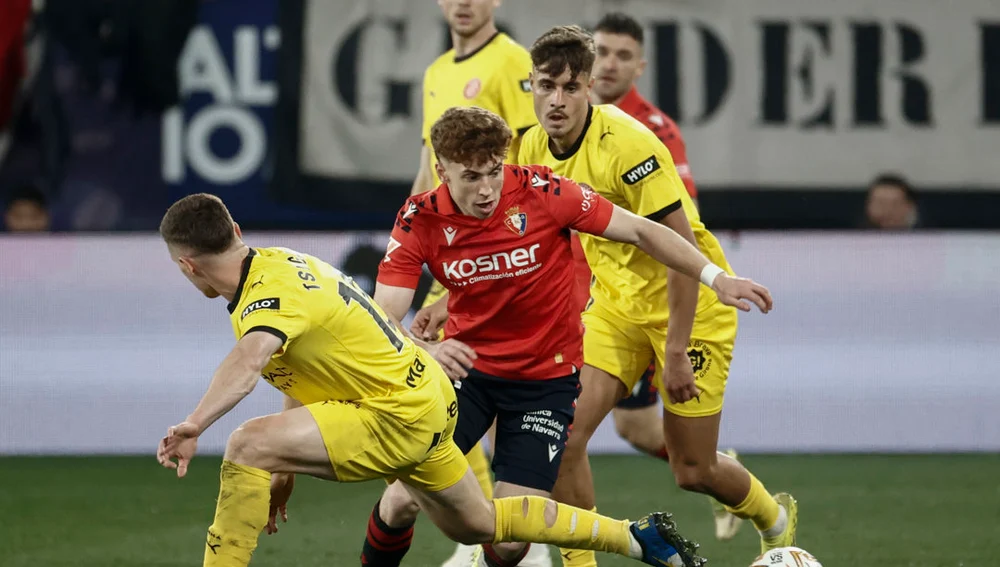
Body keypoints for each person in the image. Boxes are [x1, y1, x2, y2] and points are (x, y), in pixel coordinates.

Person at [153, 193, 704, 567]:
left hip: (393, 413)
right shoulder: (281, 262)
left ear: (187, 266)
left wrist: (195, 423)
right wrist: (285, 461)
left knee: (245, 442)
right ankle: (638, 538)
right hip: (424, 398)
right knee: (481, 526)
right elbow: (301, 367)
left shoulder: (262, 300)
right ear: (237, 232)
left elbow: (249, 361)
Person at [367, 107, 771, 567]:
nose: (485, 189)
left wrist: (716, 278)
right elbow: (380, 317)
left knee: (511, 538)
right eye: (471, 176)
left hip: (544, 384)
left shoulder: (542, 191)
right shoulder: (418, 217)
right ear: (441, 171)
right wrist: (428, 349)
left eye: (494, 172)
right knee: (401, 501)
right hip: (467, 377)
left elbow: (641, 229)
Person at [515, 26, 798, 566]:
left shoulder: (629, 145)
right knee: (564, 438)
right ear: (530, 85)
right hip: (615, 308)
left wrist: (673, 350)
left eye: (570, 87)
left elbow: (677, 247)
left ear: (589, 87)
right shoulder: (529, 147)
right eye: (546, 86)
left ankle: (773, 518)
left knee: (693, 470)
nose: (556, 100)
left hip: (690, 306)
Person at [589, 12, 743, 542]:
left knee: (678, 460)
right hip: (605, 297)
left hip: (656, 302)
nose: (609, 63)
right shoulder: (559, 121)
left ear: (640, 66)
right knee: (622, 427)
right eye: (601, 51)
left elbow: (681, 231)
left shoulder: (652, 133)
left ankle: (722, 474)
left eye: (622, 55)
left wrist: (675, 342)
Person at [414, 5, 538, 561]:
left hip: (502, 260)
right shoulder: (437, 70)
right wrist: (411, 237)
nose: (463, 2)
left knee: (499, 391)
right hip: (451, 257)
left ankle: (518, 536)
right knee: (456, 391)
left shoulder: (512, 61)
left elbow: (530, 157)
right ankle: (488, 528)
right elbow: (428, 164)